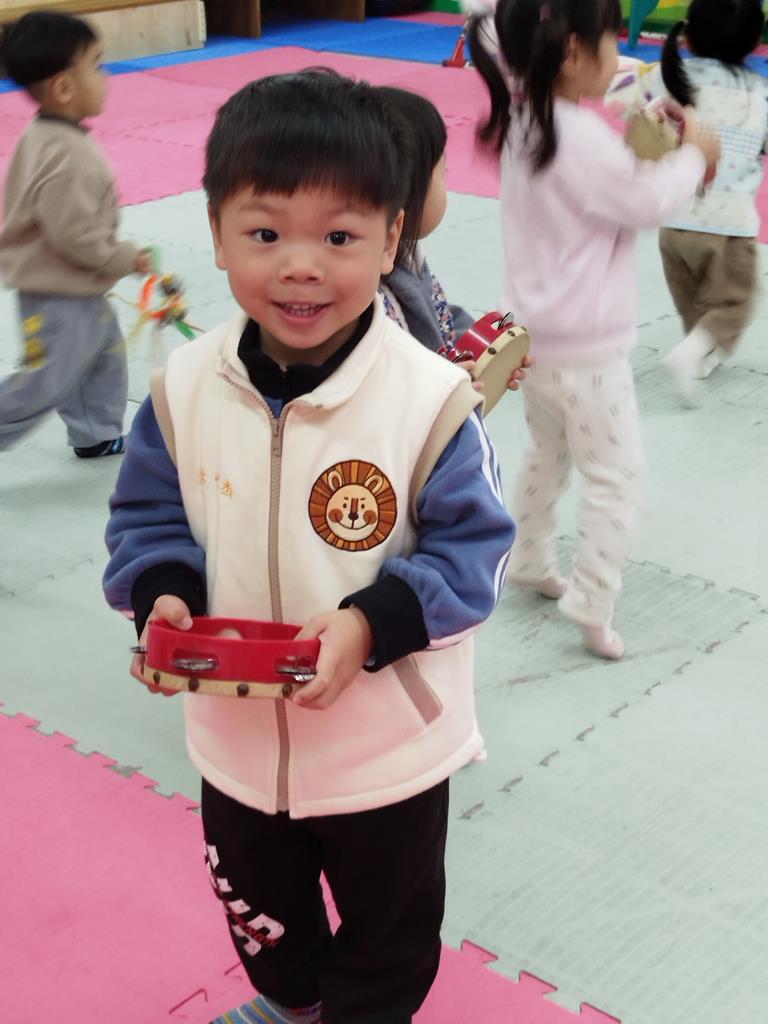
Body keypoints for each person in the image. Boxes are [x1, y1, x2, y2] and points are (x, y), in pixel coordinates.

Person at [103, 69, 516, 1024]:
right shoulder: (182, 388)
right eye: (265, 234)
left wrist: (371, 626)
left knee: (388, 930)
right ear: (215, 232)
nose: (300, 266)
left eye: (339, 237)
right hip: (236, 741)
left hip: (384, 751)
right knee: (262, 914)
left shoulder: (429, 400)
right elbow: (146, 519)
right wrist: (162, 598)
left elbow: (474, 552)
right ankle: (292, 1006)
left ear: (391, 241)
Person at [467, 0, 720, 660]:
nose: (620, 55)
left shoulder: (524, 113)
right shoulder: (579, 136)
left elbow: (500, 32)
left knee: (547, 452)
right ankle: (592, 598)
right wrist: (693, 156)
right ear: (574, 53)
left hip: (534, 339)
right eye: (612, 41)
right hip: (589, 351)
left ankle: (527, 557)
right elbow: (645, 199)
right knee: (618, 477)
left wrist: (641, 118)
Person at [0, 11, 151, 458]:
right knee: (44, 383)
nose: (106, 77)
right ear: (65, 88)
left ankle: (95, 433)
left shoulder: (48, 133)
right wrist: (124, 257)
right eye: (97, 65)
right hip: (57, 297)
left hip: (76, 289)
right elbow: (76, 236)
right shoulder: (67, 155)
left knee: (102, 358)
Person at [376, 85, 531, 394]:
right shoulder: (370, 297)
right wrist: (442, 379)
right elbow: (389, 379)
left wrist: (480, 349)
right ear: (411, 193)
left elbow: (438, 317)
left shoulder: (405, 254)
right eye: (443, 174)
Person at [659, 0, 767, 405]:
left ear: (688, 36)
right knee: (734, 302)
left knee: (694, 302)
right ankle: (692, 353)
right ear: (754, 42)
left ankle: (697, 353)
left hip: (673, 222)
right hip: (729, 227)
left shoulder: (675, 78)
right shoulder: (759, 92)